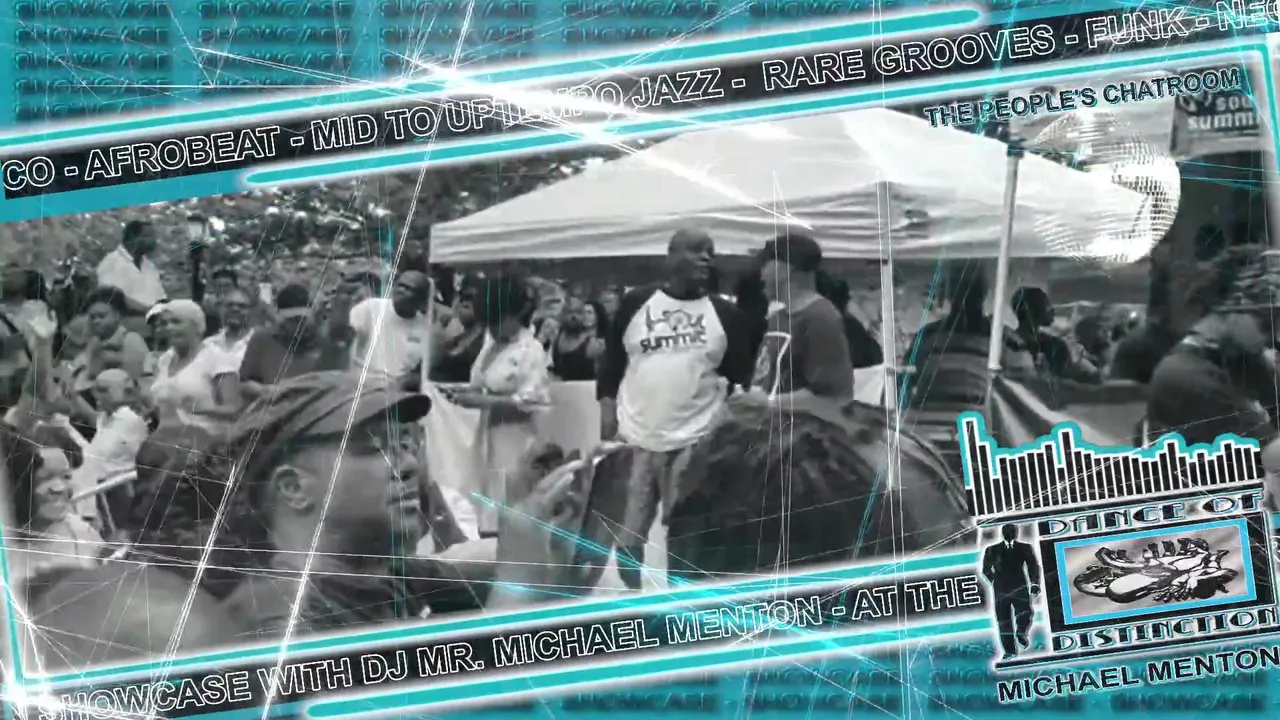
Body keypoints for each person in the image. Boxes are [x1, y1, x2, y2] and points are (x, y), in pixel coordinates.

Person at [597, 229, 754, 590]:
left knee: (684, 531)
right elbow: (612, 363)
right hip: (637, 437)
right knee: (628, 535)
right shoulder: (636, 303)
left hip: (695, 440)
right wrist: (606, 411)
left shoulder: (726, 314)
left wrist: (725, 433)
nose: (706, 258)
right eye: (696, 250)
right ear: (670, 256)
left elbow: (741, 378)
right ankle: (633, 598)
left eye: (710, 252)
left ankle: (679, 602)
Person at [1147, 247, 1280, 463]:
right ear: (1236, 304)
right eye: (1268, 322)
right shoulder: (1185, 376)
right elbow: (1272, 459)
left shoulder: (1242, 360)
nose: (1274, 334)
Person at [447, 276, 552, 536]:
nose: (492, 329)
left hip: (515, 438)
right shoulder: (490, 347)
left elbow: (532, 401)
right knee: (484, 507)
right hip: (486, 439)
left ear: (515, 315)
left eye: (497, 321)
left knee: (509, 507)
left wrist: (484, 401)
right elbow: (480, 384)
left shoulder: (531, 350)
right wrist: (462, 393)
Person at [750, 233, 854, 402]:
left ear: (785, 268)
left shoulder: (821, 317)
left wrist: (767, 403)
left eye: (765, 265)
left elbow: (834, 396)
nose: (761, 275)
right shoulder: (776, 319)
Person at [239, 284, 348, 401]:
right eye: (294, 321)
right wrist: (263, 390)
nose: (299, 326)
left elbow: (339, 384)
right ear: (282, 320)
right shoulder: (262, 339)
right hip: (273, 407)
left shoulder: (327, 342)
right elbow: (244, 384)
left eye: (303, 319)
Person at [149, 299, 241, 434]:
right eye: (165, 323)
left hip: (206, 439)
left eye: (176, 322)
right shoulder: (164, 360)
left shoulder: (217, 358)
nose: (169, 327)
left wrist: (204, 409)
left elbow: (234, 410)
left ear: (197, 326)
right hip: (166, 437)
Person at [69, 369, 149, 523]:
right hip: (97, 491)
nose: (96, 395)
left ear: (126, 391)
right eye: (95, 390)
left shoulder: (132, 419)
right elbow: (94, 417)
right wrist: (73, 395)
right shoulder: (107, 417)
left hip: (118, 491)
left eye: (103, 390)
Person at [350, 265, 432, 384]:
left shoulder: (425, 327)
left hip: (399, 388)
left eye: (409, 289)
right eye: (400, 285)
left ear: (421, 299)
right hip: (364, 383)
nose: (401, 291)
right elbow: (345, 337)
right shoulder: (370, 308)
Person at [1007, 287, 1099, 382]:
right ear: (1030, 311)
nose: (1052, 310)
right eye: (1047, 305)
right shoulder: (1054, 346)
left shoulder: (1053, 344)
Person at [981, 524, 1041, 661]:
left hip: (1019, 587)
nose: (1010, 534)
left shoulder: (1024, 548)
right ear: (1003, 534)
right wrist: (995, 581)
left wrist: (1034, 583)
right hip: (1001, 591)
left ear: (1016, 533)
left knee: (1025, 612)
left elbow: (1032, 565)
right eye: (1008, 532)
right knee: (1004, 621)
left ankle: (1021, 632)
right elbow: (985, 569)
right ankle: (1009, 651)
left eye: (1012, 532)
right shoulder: (992, 549)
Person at [95, 220, 167, 323]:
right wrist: (147, 310)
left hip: (154, 318)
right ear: (133, 238)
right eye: (148, 236)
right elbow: (112, 298)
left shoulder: (148, 265)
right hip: (127, 320)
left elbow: (160, 296)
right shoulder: (112, 262)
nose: (153, 241)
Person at [430, 283, 485, 384]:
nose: (463, 305)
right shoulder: (459, 337)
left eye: (468, 304)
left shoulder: (483, 340)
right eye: (462, 301)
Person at [551, 296, 606, 381]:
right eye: (570, 312)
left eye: (578, 312)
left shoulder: (593, 344)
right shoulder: (555, 340)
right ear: (563, 315)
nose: (574, 316)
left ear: (583, 315)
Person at [203, 285, 255, 365]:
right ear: (222, 309)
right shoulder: (208, 345)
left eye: (242, 306)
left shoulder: (260, 345)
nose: (235, 309)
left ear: (251, 311)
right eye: (230, 305)